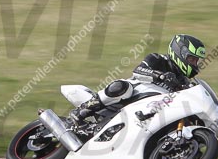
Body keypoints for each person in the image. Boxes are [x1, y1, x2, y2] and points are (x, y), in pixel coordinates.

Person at [69, 34, 206, 124]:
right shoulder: (157, 59)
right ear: (179, 52)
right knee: (122, 87)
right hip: (132, 96)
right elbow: (138, 70)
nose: (194, 64)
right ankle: (81, 111)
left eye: (196, 61)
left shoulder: (183, 81)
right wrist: (160, 76)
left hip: (150, 112)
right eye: (191, 59)